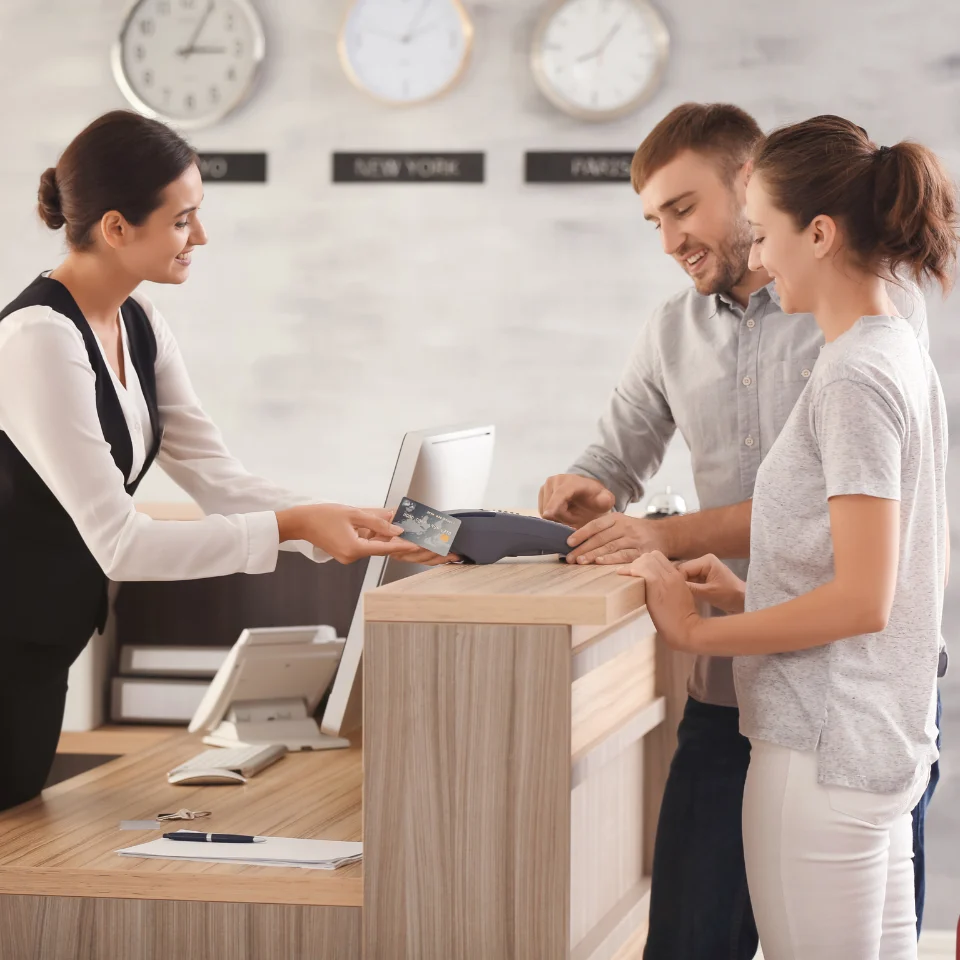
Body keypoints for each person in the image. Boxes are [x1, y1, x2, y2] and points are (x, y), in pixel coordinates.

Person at [537, 103, 942, 958]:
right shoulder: (849, 346)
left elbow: (855, 570)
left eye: (685, 210)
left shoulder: (860, 348)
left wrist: (678, 590)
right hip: (777, 695)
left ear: (755, 191)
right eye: (653, 220)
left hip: (832, 712)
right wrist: (589, 491)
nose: (670, 239)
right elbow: (621, 461)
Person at [0, 110, 443, 812]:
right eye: (183, 220)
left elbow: (220, 478)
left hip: (38, 649)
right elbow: (120, 543)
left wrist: (353, 524)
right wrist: (295, 527)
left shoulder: (139, 323)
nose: (199, 236)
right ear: (117, 228)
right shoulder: (37, 340)